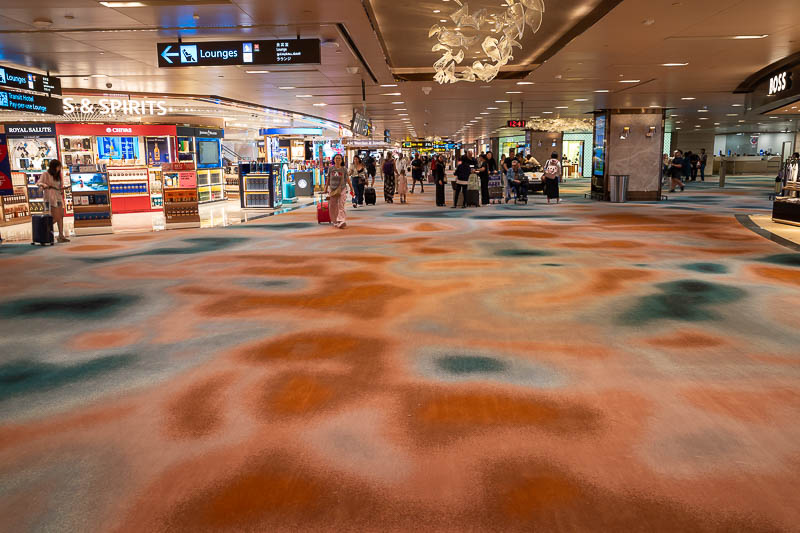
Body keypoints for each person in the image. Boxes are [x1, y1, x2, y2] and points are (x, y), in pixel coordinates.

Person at [38, 160, 69, 243]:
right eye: (58, 167)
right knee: (56, 217)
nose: (59, 169)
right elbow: (39, 183)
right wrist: (45, 185)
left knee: (61, 216)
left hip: (58, 197)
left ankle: (61, 235)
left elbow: (59, 186)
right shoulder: (46, 174)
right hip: (50, 198)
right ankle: (44, 230)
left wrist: (63, 189)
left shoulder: (58, 175)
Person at [326, 153, 353, 229]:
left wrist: (351, 188)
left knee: (341, 204)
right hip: (332, 189)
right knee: (333, 205)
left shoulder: (344, 169)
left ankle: (341, 220)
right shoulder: (331, 169)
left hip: (342, 188)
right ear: (334, 160)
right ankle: (335, 221)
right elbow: (328, 179)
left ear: (342, 160)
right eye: (336, 158)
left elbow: (347, 179)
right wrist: (325, 189)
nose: (338, 160)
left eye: (339, 158)